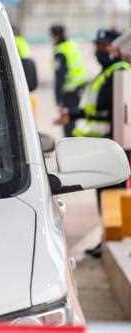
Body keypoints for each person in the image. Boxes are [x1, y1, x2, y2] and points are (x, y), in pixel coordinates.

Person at [55, 28, 131, 258]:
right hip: (106, 141)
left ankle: (118, 240)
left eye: (102, 46)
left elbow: (106, 109)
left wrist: (77, 114)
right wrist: (75, 114)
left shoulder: (120, 72)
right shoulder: (108, 72)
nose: (98, 51)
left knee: (114, 192)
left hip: (116, 141)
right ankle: (111, 239)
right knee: (108, 193)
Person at [50, 24, 89, 136]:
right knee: (72, 117)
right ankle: (72, 140)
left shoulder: (61, 52)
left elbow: (59, 77)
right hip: (79, 84)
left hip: (70, 89)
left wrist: (58, 99)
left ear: (56, 36)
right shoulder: (71, 45)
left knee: (68, 119)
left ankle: (70, 142)